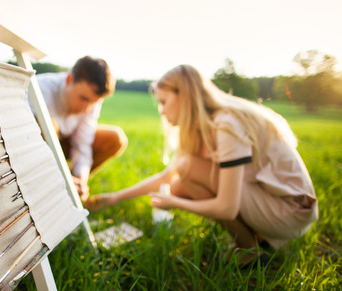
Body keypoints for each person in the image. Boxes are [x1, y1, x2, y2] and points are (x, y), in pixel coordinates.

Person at [89, 64, 318, 264]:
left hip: (289, 213)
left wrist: (176, 203)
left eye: (164, 101)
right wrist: (115, 197)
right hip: (271, 202)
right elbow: (167, 177)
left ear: (185, 96)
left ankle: (249, 250)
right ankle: (254, 238)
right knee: (181, 182)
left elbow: (226, 207)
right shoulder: (204, 126)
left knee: (188, 173)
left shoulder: (226, 124)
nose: (161, 110)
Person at [33, 56, 127, 201]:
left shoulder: (90, 103)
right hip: (37, 148)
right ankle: (52, 182)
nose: (86, 109)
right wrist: (58, 175)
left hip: (64, 144)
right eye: (83, 98)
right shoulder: (38, 89)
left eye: (93, 102)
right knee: (49, 125)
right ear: (69, 79)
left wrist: (81, 179)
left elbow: (83, 145)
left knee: (115, 138)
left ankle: (72, 187)